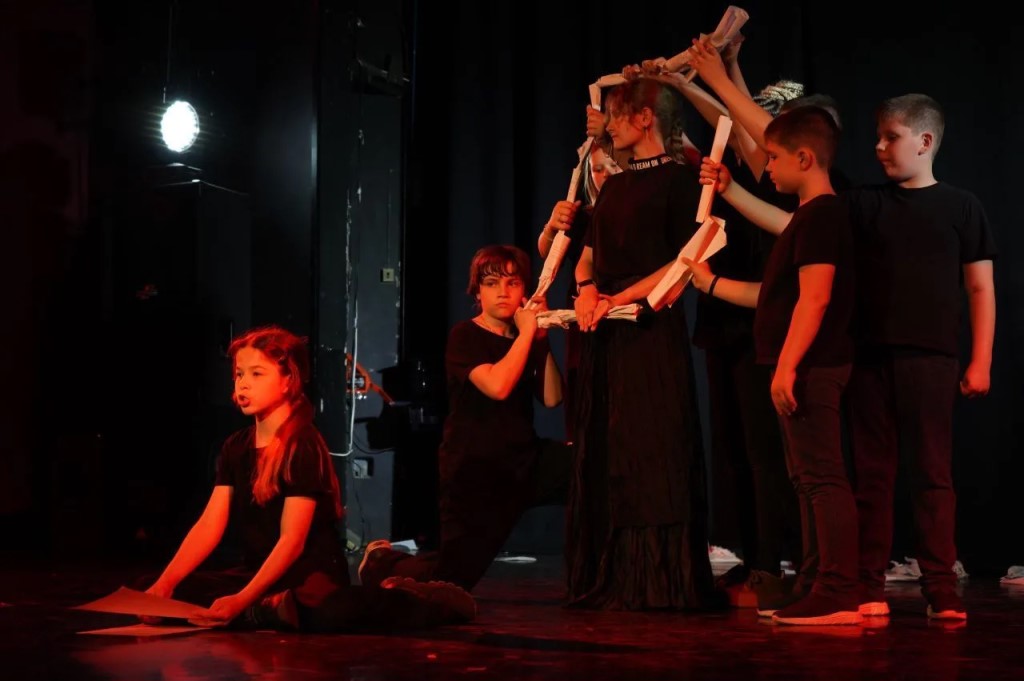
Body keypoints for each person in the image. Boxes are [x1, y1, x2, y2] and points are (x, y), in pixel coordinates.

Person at [141, 325, 476, 632]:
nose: (242, 383)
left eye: (256, 373)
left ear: (288, 379)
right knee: (161, 587)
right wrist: (166, 583)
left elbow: (292, 540)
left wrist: (241, 599)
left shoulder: (302, 444)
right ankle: (265, 606)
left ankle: (411, 593)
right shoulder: (235, 447)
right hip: (261, 571)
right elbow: (209, 524)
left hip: (307, 576)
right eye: (239, 374)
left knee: (325, 613)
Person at [691, 105, 861, 625]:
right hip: (799, 366)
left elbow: (815, 298)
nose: (766, 168)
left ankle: (838, 589)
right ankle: (811, 581)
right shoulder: (808, 216)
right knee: (806, 479)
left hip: (813, 367)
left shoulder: (824, 215)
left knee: (823, 479)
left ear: (804, 158)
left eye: (773, 158)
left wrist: (787, 366)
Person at [843, 94, 996, 621]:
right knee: (872, 475)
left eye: (891, 137)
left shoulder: (961, 206)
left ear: (925, 141)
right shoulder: (865, 204)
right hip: (869, 359)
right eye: (878, 136)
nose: (879, 146)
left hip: (932, 360)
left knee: (932, 474)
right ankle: (868, 583)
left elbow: (980, 288)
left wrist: (981, 360)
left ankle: (940, 586)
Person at [567, 77, 717, 610]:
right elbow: (587, 255)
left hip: (650, 332)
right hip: (605, 333)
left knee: (653, 450)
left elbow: (684, 261)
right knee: (610, 450)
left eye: (616, 114)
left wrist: (621, 297)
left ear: (645, 117)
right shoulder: (614, 185)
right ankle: (611, 575)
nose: (608, 125)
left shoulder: (679, 182)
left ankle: (660, 581)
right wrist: (588, 290)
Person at [358, 245, 571, 592]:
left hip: (524, 460)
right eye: (492, 283)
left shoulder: (523, 339)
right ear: (477, 292)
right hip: (476, 470)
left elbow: (552, 398)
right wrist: (527, 334)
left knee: (586, 470)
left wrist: (541, 340)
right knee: (451, 579)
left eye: (513, 283)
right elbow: (498, 386)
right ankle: (383, 562)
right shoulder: (465, 335)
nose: (503, 292)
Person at [538, 139, 620, 439]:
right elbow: (547, 252)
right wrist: (551, 226)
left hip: (618, 308)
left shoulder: (632, 212)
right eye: (597, 169)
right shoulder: (582, 214)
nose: (605, 175)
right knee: (584, 394)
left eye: (612, 166)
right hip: (583, 317)